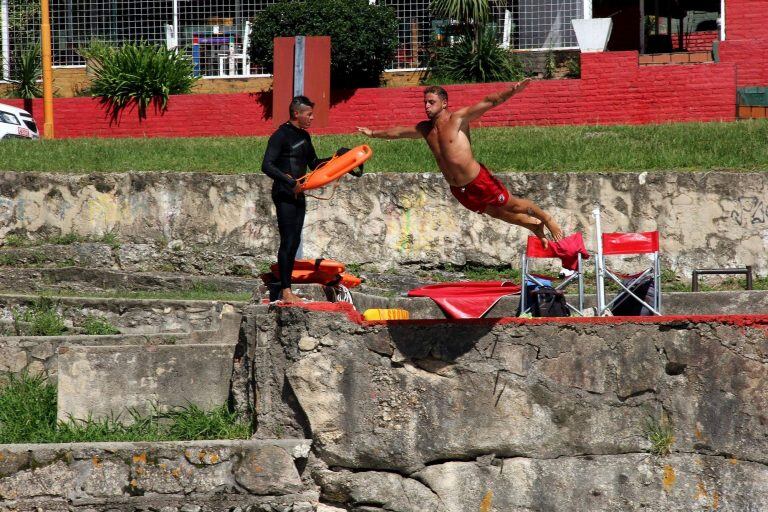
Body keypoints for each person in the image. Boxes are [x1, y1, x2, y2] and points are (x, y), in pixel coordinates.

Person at [357, 81, 564, 247]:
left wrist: (512, 91)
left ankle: (547, 219)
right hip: (459, 189)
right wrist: (373, 133)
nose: (426, 106)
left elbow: (489, 101)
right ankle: (533, 226)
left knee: (512, 204)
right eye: (425, 103)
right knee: (497, 213)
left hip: (479, 181)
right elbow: (398, 132)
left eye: (431, 102)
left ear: (444, 103)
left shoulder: (458, 119)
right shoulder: (425, 129)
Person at [262, 95, 327, 303]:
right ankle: (286, 291)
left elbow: (315, 164)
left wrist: (340, 157)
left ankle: (287, 288)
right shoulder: (280, 135)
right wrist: (290, 183)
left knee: (295, 240)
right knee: (288, 241)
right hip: (284, 194)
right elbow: (267, 165)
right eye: (309, 114)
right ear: (296, 113)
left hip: (298, 194)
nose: (312, 118)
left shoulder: (305, 137)